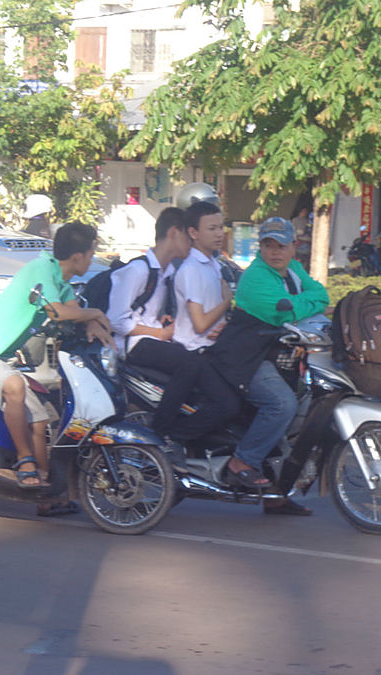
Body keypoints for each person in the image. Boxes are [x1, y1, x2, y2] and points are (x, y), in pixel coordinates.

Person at [0, 223, 113, 500]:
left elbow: (74, 310)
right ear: (77, 257)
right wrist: (96, 312)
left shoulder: (60, 282)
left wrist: (95, 325)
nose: (92, 258)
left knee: (40, 419)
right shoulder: (40, 270)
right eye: (91, 252)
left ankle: (45, 491)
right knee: (15, 386)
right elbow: (58, 312)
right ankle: (25, 462)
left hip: (1, 360)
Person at [207, 217, 329, 515]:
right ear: (260, 247)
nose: (275, 252)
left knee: (301, 411)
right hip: (247, 358)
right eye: (268, 245)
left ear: (293, 247)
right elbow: (284, 312)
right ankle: (243, 460)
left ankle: (276, 494)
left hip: (279, 357)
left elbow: (322, 296)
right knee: (282, 405)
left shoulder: (294, 270)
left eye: (281, 246)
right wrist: (301, 302)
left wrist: (302, 301)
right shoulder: (255, 277)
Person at [107, 207, 240, 456]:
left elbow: (150, 308)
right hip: (135, 345)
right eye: (187, 237)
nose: (191, 243)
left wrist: (162, 320)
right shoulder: (137, 270)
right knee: (190, 363)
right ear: (173, 233)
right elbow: (116, 319)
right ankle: (162, 433)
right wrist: (157, 333)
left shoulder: (167, 272)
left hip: (155, 337)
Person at [172, 200, 234, 351]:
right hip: (193, 349)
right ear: (193, 233)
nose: (219, 234)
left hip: (212, 345)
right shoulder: (191, 269)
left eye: (221, 227)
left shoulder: (213, 263)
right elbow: (200, 325)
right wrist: (227, 301)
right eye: (212, 229)